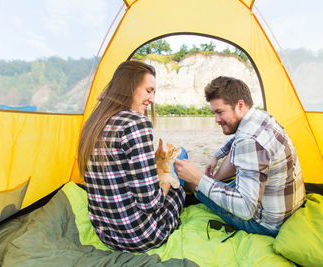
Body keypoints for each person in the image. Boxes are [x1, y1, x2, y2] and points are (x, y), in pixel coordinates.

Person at [175, 76, 305, 237]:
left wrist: (197, 179)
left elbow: (246, 209)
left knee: (192, 181)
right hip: (287, 207)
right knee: (226, 162)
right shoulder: (261, 118)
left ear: (240, 105)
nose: (216, 119)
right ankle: (208, 184)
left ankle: (190, 194)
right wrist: (217, 155)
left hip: (266, 224)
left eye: (220, 112)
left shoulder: (249, 142)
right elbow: (237, 139)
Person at [77, 60, 185, 253]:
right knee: (179, 181)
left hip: (107, 234)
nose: (152, 99)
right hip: (140, 236)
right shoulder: (136, 123)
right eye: (148, 90)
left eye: (153, 92)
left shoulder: (94, 122)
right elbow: (151, 203)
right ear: (130, 87)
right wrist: (167, 177)